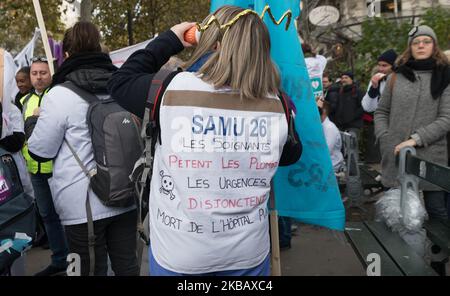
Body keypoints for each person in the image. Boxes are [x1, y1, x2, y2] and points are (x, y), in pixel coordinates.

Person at [108, 5, 301, 276]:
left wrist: (171, 40)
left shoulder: (172, 88)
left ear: (214, 43)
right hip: (247, 254)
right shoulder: (278, 103)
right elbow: (291, 155)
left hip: (180, 252)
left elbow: (120, 82)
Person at [27, 22, 139, 276]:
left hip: (81, 208)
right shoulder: (120, 85)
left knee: (82, 271)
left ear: (66, 54)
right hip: (125, 194)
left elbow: (40, 151)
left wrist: (33, 121)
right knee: (127, 267)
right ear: (99, 47)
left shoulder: (59, 95)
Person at [374, 25, 450, 274]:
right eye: (417, 41)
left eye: (427, 41)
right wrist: (385, 137)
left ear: (434, 46)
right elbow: (381, 111)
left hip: (431, 158)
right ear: (410, 46)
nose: (421, 45)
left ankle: (438, 262)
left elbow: (446, 118)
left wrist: (416, 139)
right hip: (395, 156)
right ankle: (400, 262)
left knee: (437, 212)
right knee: (396, 212)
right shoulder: (396, 75)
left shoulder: (445, 75)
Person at [20, 57, 69, 276]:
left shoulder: (58, 96)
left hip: (57, 168)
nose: (39, 77)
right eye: (35, 73)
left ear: (51, 74)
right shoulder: (24, 100)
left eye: (43, 73)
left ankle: (75, 261)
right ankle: (59, 260)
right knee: (47, 216)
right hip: (34, 170)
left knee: (67, 217)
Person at [362, 49, 397, 163]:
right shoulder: (377, 79)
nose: (381, 69)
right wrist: (373, 88)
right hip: (383, 124)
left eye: (385, 66)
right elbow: (367, 107)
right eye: (379, 65)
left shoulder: (401, 79)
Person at [333, 71, 364, 137]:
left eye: (346, 78)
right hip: (340, 126)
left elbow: (363, 107)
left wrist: (351, 117)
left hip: (353, 126)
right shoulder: (340, 92)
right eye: (342, 78)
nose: (343, 80)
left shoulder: (358, 91)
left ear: (351, 79)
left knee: (351, 145)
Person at [317, 99, 344, 173]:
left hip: (332, 164)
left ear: (324, 111)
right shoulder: (322, 125)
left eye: (317, 109)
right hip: (325, 163)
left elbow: (326, 151)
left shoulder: (329, 128)